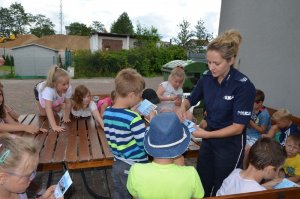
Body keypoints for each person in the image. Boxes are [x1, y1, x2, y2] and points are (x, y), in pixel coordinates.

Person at [176, 29, 256, 196]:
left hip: (230, 145)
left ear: (231, 60)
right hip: (208, 138)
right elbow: (191, 98)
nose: (211, 67)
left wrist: (205, 134)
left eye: (216, 63)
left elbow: (238, 127)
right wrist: (183, 108)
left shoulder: (243, 86)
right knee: (203, 179)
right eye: (209, 62)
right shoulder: (206, 78)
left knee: (223, 186)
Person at [127, 112, 204, 199]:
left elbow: (135, 197)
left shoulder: (136, 171)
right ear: (181, 146)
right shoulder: (191, 174)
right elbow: (198, 196)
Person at [103, 68, 148, 199]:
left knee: (120, 193)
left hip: (117, 164)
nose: (140, 99)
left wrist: (132, 113)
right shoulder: (133, 118)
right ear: (131, 95)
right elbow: (144, 144)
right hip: (134, 166)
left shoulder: (107, 112)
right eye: (140, 95)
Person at [217, 137, 287, 196]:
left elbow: (244, 191)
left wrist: (264, 186)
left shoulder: (235, 173)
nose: (277, 175)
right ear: (269, 169)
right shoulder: (259, 194)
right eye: (279, 169)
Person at [0, 133, 61, 199]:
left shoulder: (15, 189)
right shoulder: (15, 187)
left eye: (33, 172)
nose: (32, 178)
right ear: (2, 178)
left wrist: (43, 197)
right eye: (28, 175)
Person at [34, 65, 72, 133]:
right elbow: (48, 108)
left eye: (68, 83)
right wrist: (54, 126)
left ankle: (57, 104)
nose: (67, 86)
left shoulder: (68, 88)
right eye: (64, 84)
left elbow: (68, 102)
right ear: (55, 84)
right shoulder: (48, 90)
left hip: (55, 92)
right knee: (44, 113)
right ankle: (47, 104)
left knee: (57, 109)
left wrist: (66, 117)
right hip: (39, 89)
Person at [243, 89, 271, 168]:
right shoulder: (251, 108)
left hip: (257, 136)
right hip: (247, 132)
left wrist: (250, 122)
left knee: (246, 150)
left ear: (260, 103)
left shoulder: (264, 114)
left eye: (252, 102)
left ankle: (244, 168)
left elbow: (263, 130)